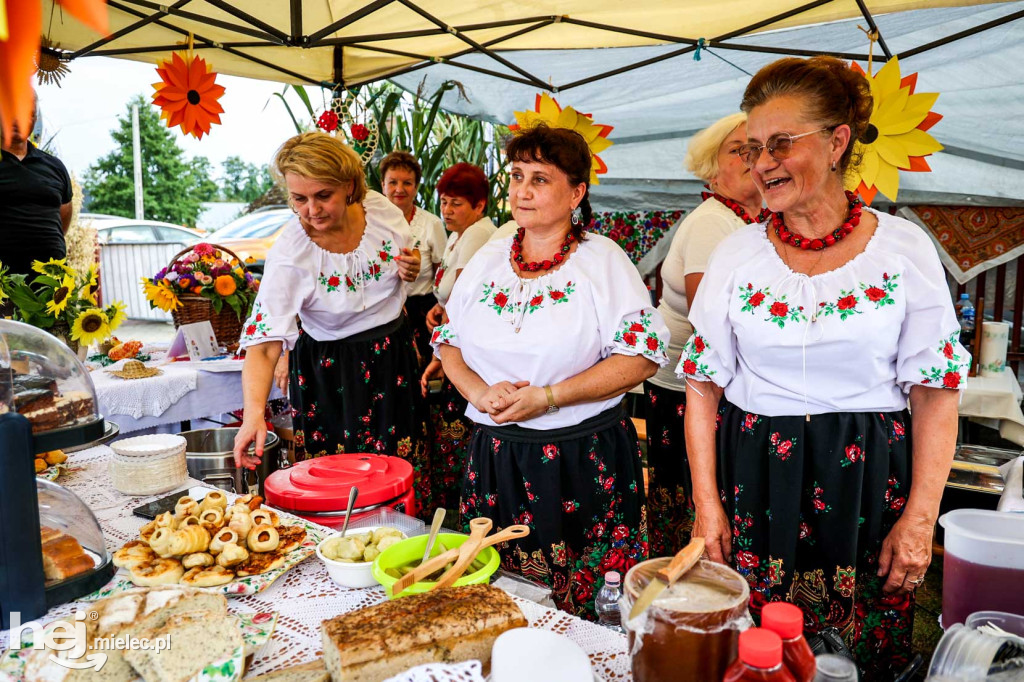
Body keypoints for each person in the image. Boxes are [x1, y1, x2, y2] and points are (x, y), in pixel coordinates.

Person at [678, 56, 968, 674]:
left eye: (780, 143)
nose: (762, 163)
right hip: (756, 470)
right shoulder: (736, 253)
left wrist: (921, 518)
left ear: (838, 142)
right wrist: (707, 505)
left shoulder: (902, 247)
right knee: (756, 646)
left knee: (852, 651)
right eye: (754, 147)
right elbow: (702, 385)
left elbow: (937, 392)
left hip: (865, 477)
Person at [432, 124, 669, 619]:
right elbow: (447, 340)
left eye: (539, 178)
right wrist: (478, 393)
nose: (521, 190)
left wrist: (550, 396)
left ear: (577, 192)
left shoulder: (603, 261)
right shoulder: (490, 257)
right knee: (499, 596)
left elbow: (641, 356)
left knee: (585, 605)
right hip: (497, 456)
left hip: (582, 460)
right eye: (517, 175)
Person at [232, 132, 433, 515]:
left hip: (392, 356)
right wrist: (253, 415)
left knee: (401, 467)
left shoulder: (381, 211)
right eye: (299, 199)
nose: (311, 210)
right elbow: (263, 344)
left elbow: (408, 253)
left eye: (323, 195)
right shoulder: (291, 254)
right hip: (329, 370)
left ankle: (406, 544)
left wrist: (410, 264)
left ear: (351, 187)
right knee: (340, 481)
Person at [644, 112, 766, 558]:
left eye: (759, 148)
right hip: (684, 389)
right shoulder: (713, 222)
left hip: (712, 387)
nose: (754, 159)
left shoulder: (751, 221)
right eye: (740, 151)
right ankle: (678, 580)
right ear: (712, 167)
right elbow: (707, 320)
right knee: (685, 496)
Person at [419, 163, 495, 514]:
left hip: (464, 348)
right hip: (452, 339)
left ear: (479, 205)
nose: (447, 211)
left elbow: (463, 296)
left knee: (460, 426)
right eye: (444, 203)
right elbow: (450, 293)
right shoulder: (457, 235)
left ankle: (462, 505)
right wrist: (438, 306)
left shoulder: (479, 234)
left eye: (456, 204)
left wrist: (439, 350)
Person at [380, 151, 446, 366]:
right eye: (393, 182)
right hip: (383, 313)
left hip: (422, 313)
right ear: (382, 185)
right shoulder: (369, 225)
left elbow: (442, 274)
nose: (399, 189)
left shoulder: (431, 224)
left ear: (416, 187)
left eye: (407, 183)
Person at [0, 100, 72, 277]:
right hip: (3, 285)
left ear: (34, 118)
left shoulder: (54, 167)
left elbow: (63, 216)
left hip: (50, 284)